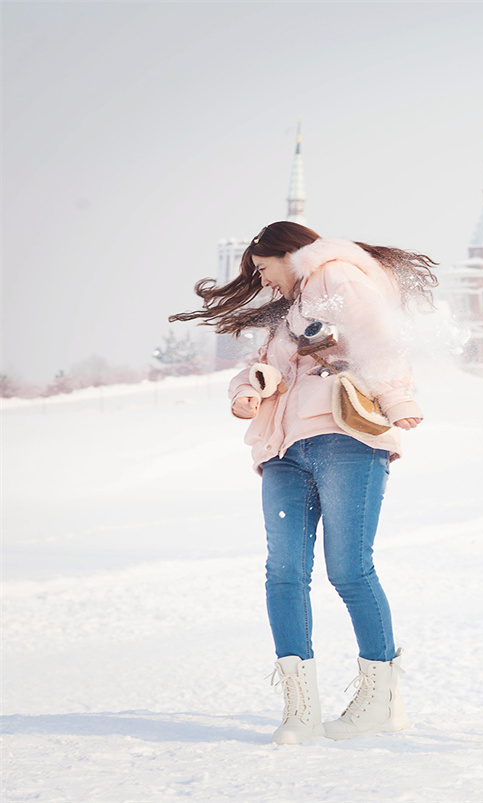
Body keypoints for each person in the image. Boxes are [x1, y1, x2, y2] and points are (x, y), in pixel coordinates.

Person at [170, 221, 436, 745]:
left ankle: (382, 701)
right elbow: (265, 367)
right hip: (284, 448)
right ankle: (300, 709)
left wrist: (399, 399)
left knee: (349, 569)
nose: (263, 281)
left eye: (263, 269)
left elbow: (381, 339)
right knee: (284, 573)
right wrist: (250, 387)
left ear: (287, 253)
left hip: (344, 438)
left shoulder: (336, 276)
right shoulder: (292, 309)